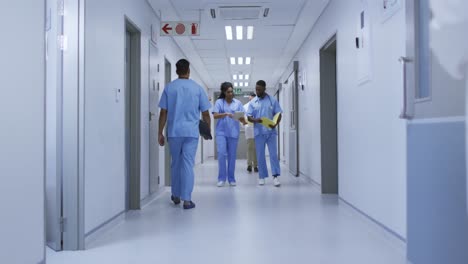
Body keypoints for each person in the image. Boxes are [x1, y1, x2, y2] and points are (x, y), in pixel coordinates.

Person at [158, 59, 211, 209]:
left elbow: (163, 112)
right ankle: (187, 199)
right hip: (191, 133)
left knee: (175, 163)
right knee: (188, 164)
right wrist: (208, 130)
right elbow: (206, 113)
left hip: (174, 132)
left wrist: (159, 132)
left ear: (176, 71)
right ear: (188, 71)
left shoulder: (170, 88)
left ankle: (175, 195)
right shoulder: (198, 88)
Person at [247, 80, 283, 187]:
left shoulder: (272, 100)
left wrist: (275, 124)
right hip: (259, 132)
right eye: (256, 89)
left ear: (264, 89)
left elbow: (279, 114)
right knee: (260, 155)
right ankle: (261, 177)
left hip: (271, 132)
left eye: (259, 89)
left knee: (273, 155)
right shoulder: (253, 102)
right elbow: (249, 116)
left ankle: (275, 176)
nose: (257, 91)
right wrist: (255, 120)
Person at [212, 82, 246, 187]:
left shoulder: (238, 103)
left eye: (232, 91)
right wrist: (226, 114)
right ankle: (222, 178)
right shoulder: (219, 102)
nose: (231, 93)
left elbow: (242, 117)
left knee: (232, 156)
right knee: (222, 154)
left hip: (233, 133)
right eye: (228, 92)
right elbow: (215, 115)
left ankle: (231, 178)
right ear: (224, 92)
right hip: (221, 132)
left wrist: (242, 120)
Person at [243, 92, 258, 173]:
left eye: (254, 97)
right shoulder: (245, 106)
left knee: (256, 149)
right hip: (249, 129)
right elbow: (242, 118)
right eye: (251, 97)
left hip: (257, 129)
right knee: (249, 148)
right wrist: (244, 125)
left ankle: (255, 165)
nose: (252, 99)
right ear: (249, 98)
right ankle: (249, 165)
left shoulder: (259, 105)